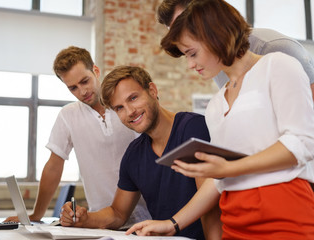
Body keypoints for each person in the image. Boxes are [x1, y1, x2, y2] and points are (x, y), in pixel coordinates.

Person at [127, 0, 314, 239]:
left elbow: (302, 142)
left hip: (283, 215)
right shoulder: (216, 104)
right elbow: (217, 182)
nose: (191, 65)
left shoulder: (278, 65)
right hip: (234, 221)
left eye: (192, 53)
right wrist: (172, 223)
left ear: (215, 35)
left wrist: (230, 167)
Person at [59, 65, 222, 240]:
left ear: (152, 90)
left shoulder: (192, 128)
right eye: (119, 108)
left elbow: (210, 206)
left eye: (133, 98)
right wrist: (84, 218)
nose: (130, 111)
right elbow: (118, 213)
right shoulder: (133, 155)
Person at [5, 46, 151, 227]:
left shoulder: (125, 106)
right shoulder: (68, 116)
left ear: (96, 71)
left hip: (148, 216)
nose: (82, 91)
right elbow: (53, 167)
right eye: (73, 88)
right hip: (102, 219)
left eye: (85, 81)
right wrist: (36, 214)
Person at [157, 0, 314, 100]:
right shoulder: (216, 63)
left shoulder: (275, 48)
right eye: (173, 30)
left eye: (183, 23)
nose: (180, 34)